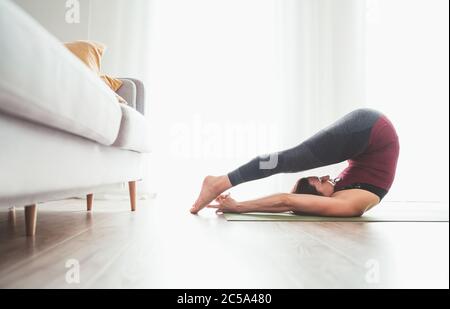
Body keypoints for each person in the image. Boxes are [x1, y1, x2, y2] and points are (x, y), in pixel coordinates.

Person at [190, 108, 400, 217]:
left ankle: (219, 182)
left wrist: (239, 207)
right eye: (321, 181)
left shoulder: (341, 199)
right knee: (286, 160)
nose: (327, 177)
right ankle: (219, 182)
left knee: (286, 160)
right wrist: (239, 207)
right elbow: (289, 202)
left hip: (368, 132)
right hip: (370, 132)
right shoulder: (348, 205)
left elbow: (287, 202)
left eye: (320, 180)